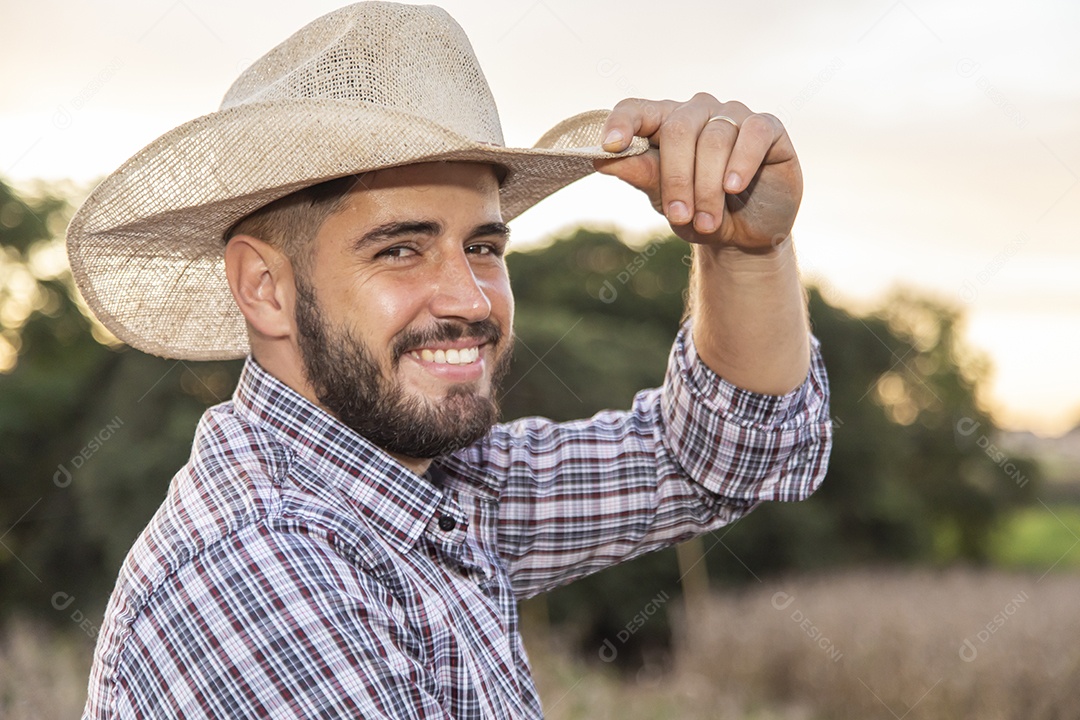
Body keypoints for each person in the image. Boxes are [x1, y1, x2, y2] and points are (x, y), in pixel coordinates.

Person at [66, 2, 832, 718]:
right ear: (264, 288)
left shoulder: (439, 486)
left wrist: (747, 252)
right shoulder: (254, 570)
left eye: (483, 247)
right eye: (400, 248)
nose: (469, 299)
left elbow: (717, 457)